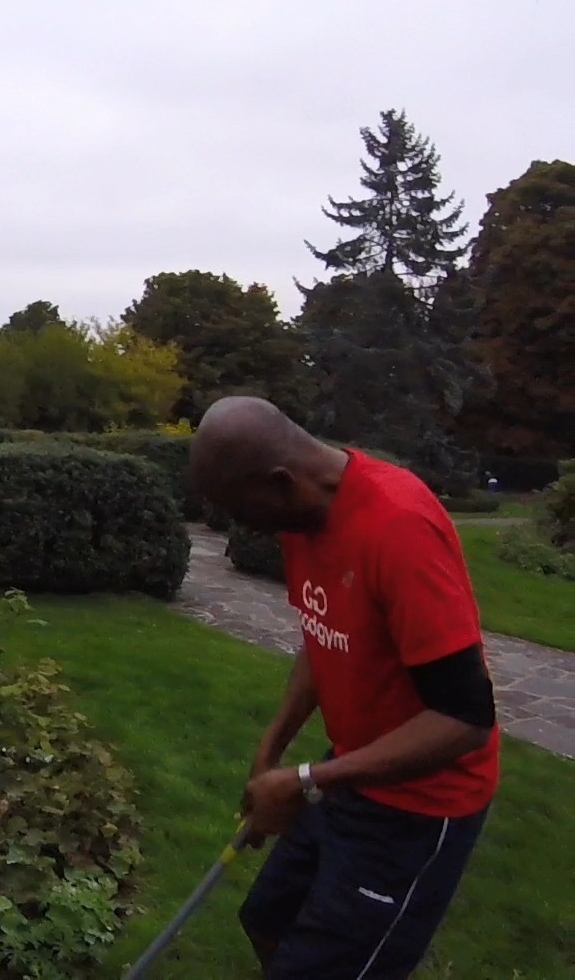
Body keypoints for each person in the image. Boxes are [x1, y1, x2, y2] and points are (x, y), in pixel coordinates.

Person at [190, 396, 499, 979]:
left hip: (421, 806)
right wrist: (273, 748)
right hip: (352, 773)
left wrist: (307, 780)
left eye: (241, 509)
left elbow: (466, 718)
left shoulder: (398, 525)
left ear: (279, 481)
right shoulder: (303, 515)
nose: (241, 525)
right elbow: (322, 626)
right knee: (267, 919)